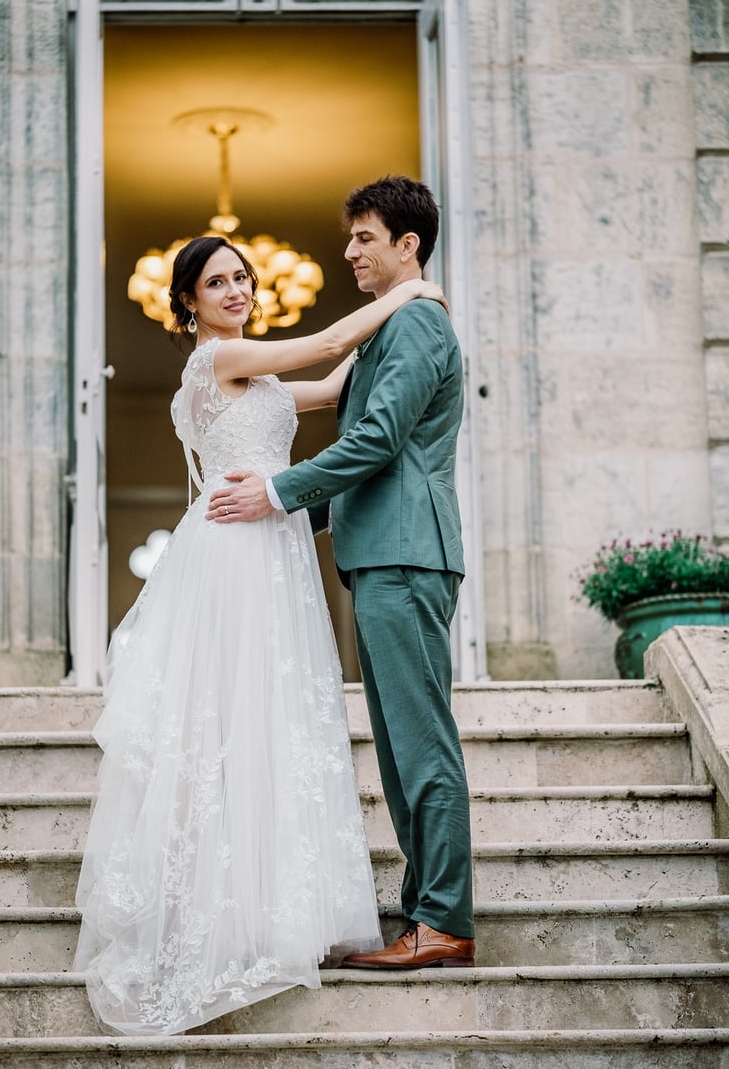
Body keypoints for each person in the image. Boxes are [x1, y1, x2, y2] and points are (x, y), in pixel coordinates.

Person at [73, 233, 448, 1036]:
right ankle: (226, 917)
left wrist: (393, 331)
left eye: (243, 277)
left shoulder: (256, 373)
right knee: (234, 720)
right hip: (238, 555)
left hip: (274, 547)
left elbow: (337, 379)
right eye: (218, 282)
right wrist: (412, 292)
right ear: (188, 302)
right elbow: (327, 340)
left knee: (279, 721)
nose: (238, 289)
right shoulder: (216, 363)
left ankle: (279, 909)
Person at [206, 175, 475, 969]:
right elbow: (357, 423)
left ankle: (445, 921)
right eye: (351, 235)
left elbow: (380, 439)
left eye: (364, 237)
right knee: (398, 749)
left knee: (421, 745)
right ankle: (426, 911)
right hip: (380, 552)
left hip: (405, 551)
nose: (350, 249)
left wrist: (281, 493)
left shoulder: (419, 324)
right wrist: (295, 519)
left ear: (407, 246)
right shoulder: (389, 334)